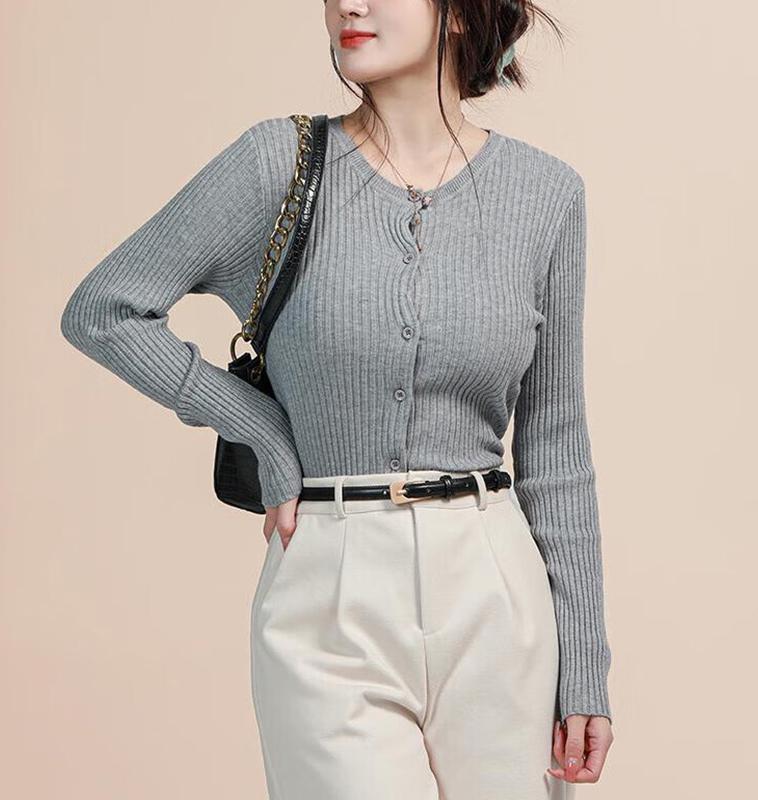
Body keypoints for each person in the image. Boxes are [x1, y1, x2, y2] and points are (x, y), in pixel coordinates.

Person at [60, 0, 614, 796]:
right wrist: (261, 428)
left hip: (496, 586)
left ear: (462, 13)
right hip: (329, 584)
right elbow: (104, 310)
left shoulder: (546, 196)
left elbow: (557, 445)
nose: (349, 3)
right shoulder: (276, 168)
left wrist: (586, 665)